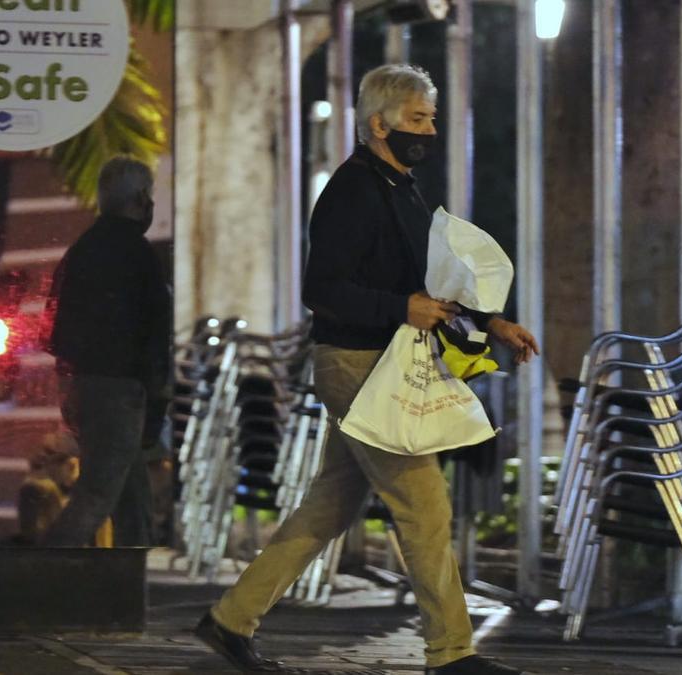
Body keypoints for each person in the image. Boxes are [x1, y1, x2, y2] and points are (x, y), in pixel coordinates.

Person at [195, 64, 538, 674]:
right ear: (378, 124)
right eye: (416, 119)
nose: (428, 130)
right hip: (357, 366)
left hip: (378, 367)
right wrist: (397, 307)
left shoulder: (402, 187)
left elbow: (428, 285)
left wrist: (491, 324)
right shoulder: (354, 190)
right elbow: (320, 287)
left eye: (431, 118)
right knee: (424, 505)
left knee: (328, 507)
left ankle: (229, 620)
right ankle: (451, 653)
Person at [42, 156, 171, 547]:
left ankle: (129, 581)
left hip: (83, 384)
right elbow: (154, 333)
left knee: (132, 499)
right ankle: (40, 577)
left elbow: (55, 326)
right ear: (141, 200)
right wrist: (157, 395)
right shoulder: (138, 254)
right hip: (118, 389)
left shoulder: (83, 250)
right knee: (97, 495)